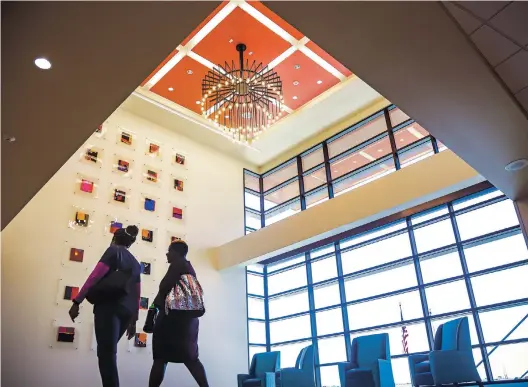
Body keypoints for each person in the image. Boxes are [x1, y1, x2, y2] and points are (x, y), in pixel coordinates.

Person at [69, 225, 142, 387]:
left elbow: (95, 276)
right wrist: (133, 321)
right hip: (127, 312)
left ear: (115, 239)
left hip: (109, 308)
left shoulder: (113, 251)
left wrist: (77, 301)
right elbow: (137, 294)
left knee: (106, 355)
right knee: (109, 352)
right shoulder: (136, 264)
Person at [146, 240, 209, 387]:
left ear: (176, 253)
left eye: (169, 251)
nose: (167, 254)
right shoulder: (189, 268)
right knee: (191, 358)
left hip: (171, 320)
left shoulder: (177, 265)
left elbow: (163, 290)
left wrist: (151, 315)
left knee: (161, 359)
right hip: (188, 322)